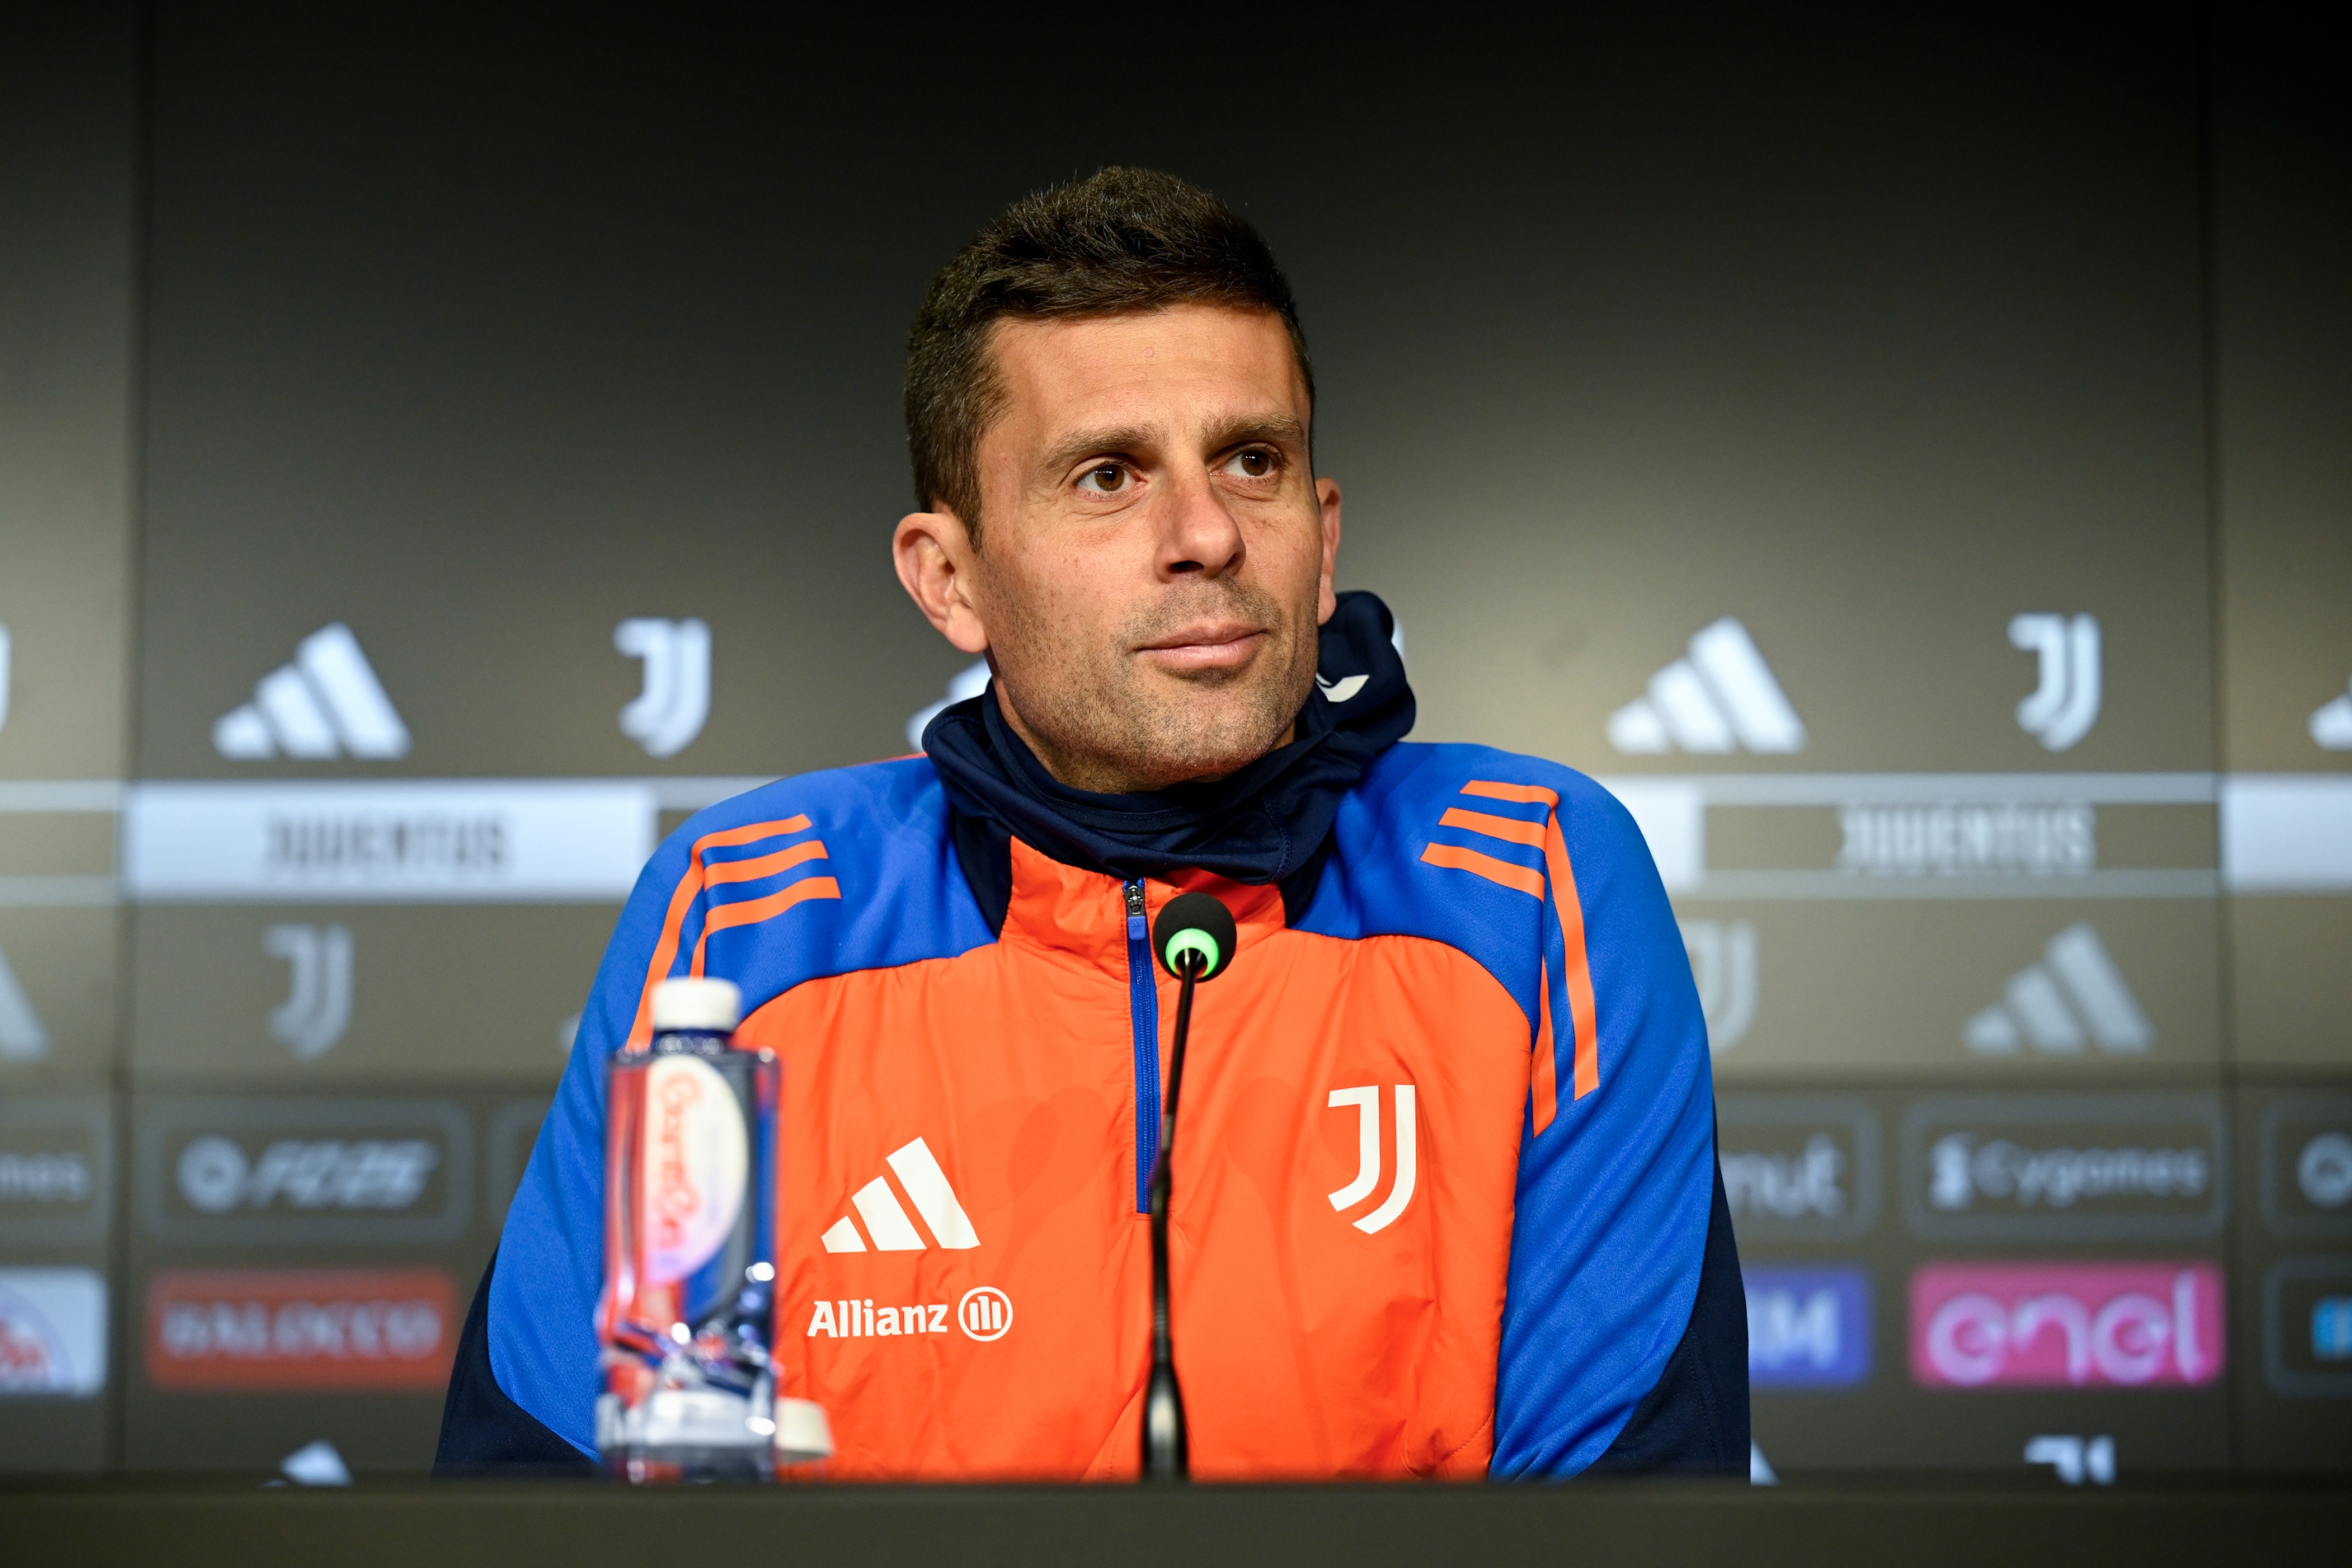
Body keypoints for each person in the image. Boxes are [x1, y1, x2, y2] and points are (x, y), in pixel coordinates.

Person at [437, 167, 1744, 1479]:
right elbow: (571, 1498)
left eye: (1252, 460)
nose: (1206, 535)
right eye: (1108, 475)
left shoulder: (1530, 877)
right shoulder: (743, 912)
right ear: (950, 580)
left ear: (1324, 532)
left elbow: (1622, 1518)